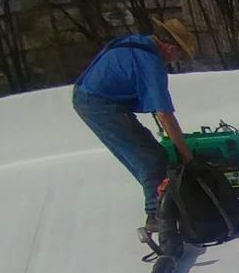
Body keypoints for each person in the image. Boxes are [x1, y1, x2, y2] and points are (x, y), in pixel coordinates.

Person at [71, 16, 197, 239]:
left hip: (93, 96)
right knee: (150, 157)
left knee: (147, 150)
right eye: (180, 54)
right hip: (96, 103)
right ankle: (157, 216)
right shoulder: (151, 62)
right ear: (170, 47)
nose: (177, 60)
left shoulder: (137, 43)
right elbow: (165, 115)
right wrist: (188, 158)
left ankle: (164, 198)